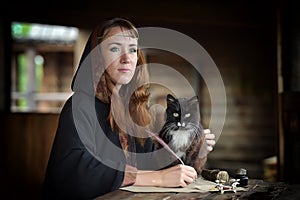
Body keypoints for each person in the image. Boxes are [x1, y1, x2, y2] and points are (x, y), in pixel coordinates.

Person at [43, 17, 216, 199]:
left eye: (132, 49)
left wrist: (193, 147)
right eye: (115, 48)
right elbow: (73, 171)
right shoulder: (80, 105)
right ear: (97, 57)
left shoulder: (133, 110)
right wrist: (155, 178)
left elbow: (151, 160)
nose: (126, 58)